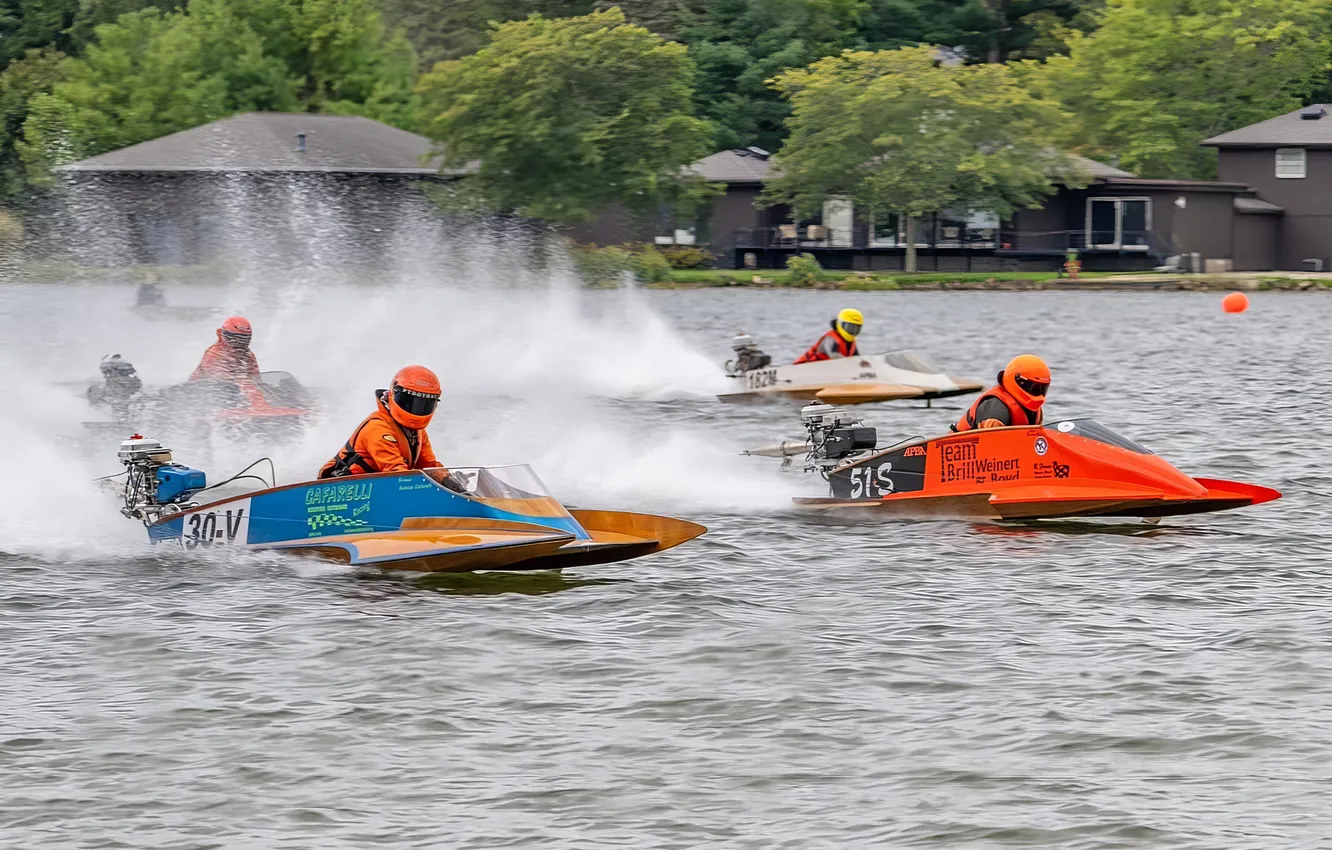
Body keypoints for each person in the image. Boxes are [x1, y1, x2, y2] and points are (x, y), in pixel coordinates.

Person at [319, 365, 447, 479]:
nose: (417, 408)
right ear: (394, 394)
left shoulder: (418, 432)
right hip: (342, 491)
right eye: (410, 402)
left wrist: (450, 482)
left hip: (378, 490)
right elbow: (395, 471)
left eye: (424, 404)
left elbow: (429, 467)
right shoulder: (377, 427)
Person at [952, 354, 1050, 431]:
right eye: (1035, 388)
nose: (1039, 394)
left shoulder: (1035, 410)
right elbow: (991, 444)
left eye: (1043, 388)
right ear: (1021, 382)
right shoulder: (996, 407)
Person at [190, 316, 260, 382]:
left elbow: (256, 378)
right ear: (225, 336)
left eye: (244, 338)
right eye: (235, 338)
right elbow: (218, 382)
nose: (239, 342)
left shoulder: (248, 355)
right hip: (198, 389)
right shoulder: (214, 354)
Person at [794, 308, 863, 364]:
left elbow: (857, 359)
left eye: (856, 329)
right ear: (840, 324)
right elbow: (834, 356)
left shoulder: (851, 344)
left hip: (825, 373)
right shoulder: (830, 339)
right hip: (804, 369)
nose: (852, 331)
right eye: (849, 327)